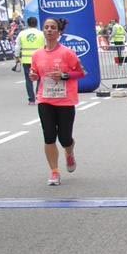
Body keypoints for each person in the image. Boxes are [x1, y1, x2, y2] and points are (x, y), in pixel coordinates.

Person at [29, 18, 86, 186]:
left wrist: (64, 75)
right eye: (46, 27)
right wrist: (33, 75)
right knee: (49, 137)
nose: (49, 30)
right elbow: (35, 72)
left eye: (52, 27)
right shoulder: (37, 54)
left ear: (58, 32)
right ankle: (54, 171)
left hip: (65, 101)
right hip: (45, 99)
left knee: (64, 138)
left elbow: (81, 73)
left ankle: (69, 152)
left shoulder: (67, 53)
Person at [14, 17, 44, 105]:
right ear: (36, 23)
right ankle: (38, 96)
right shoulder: (41, 34)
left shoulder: (22, 34)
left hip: (26, 60)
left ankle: (31, 99)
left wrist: (16, 56)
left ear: (27, 24)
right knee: (40, 78)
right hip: (40, 60)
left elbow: (17, 46)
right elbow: (46, 46)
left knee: (28, 80)